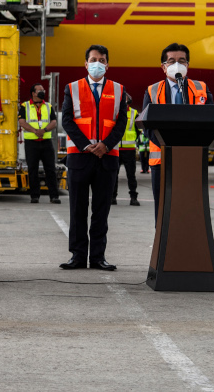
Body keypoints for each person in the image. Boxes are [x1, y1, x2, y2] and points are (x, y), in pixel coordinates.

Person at [60, 44, 128, 271]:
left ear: (107, 64)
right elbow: (67, 120)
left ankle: (98, 257)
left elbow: (121, 123)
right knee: (77, 210)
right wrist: (87, 145)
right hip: (80, 157)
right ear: (86, 63)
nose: (97, 63)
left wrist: (106, 145)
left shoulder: (119, 89)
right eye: (93, 59)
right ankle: (78, 256)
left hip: (107, 158)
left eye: (101, 59)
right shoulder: (73, 88)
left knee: (101, 211)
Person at [142, 42, 213, 222]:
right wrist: (168, 146)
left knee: (189, 207)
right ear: (163, 67)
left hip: (191, 159)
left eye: (182, 61)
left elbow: (211, 122)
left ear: (188, 65)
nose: (177, 65)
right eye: (171, 61)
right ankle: (162, 246)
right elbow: (147, 126)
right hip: (161, 158)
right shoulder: (152, 91)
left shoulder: (201, 89)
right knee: (163, 208)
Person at [18, 82, 60, 204]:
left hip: (46, 142)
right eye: (40, 90)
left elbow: (54, 121)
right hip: (31, 143)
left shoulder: (48, 106)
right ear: (33, 93)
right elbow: (22, 122)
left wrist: (44, 130)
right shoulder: (25, 106)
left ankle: (54, 196)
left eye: (43, 90)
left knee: (50, 170)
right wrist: (35, 131)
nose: (43, 92)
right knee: (32, 170)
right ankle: (34, 196)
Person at [114, 96, 140, 206]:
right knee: (113, 175)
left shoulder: (134, 113)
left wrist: (133, 140)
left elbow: (139, 130)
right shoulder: (113, 112)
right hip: (115, 149)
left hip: (129, 150)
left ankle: (133, 197)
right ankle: (112, 197)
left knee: (131, 175)